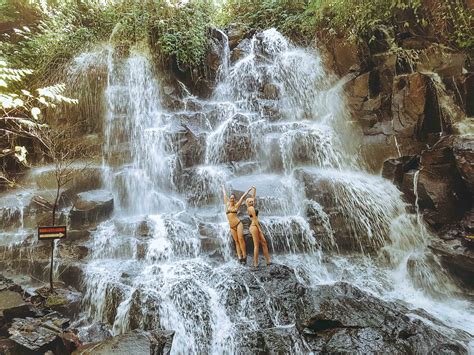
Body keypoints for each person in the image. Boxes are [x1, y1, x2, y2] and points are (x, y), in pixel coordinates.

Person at [222, 185, 253, 264]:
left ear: (234, 199)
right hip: (232, 227)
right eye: (231, 198)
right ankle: (239, 257)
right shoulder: (227, 204)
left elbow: (242, 197)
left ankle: (244, 256)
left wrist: (248, 190)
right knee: (236, 241)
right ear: (230, 199)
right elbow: (224, 194)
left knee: (241, 239)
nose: (232, 199)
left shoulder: (236, 205)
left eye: (233, 198)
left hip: (238, 224)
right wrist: (222, 187)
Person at [246, 186, 271, 267]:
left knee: (264, 242)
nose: (252, 202)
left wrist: (254, 189)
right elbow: (255, 219)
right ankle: (255, 263)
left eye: (252, 202)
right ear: (247, 203)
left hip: (255, 226)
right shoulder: (251, 208)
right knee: (256, 245)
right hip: (254, 227)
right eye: (250, 202)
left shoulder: (251, 206)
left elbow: (253, 198)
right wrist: (260, 230)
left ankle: (268, 261)